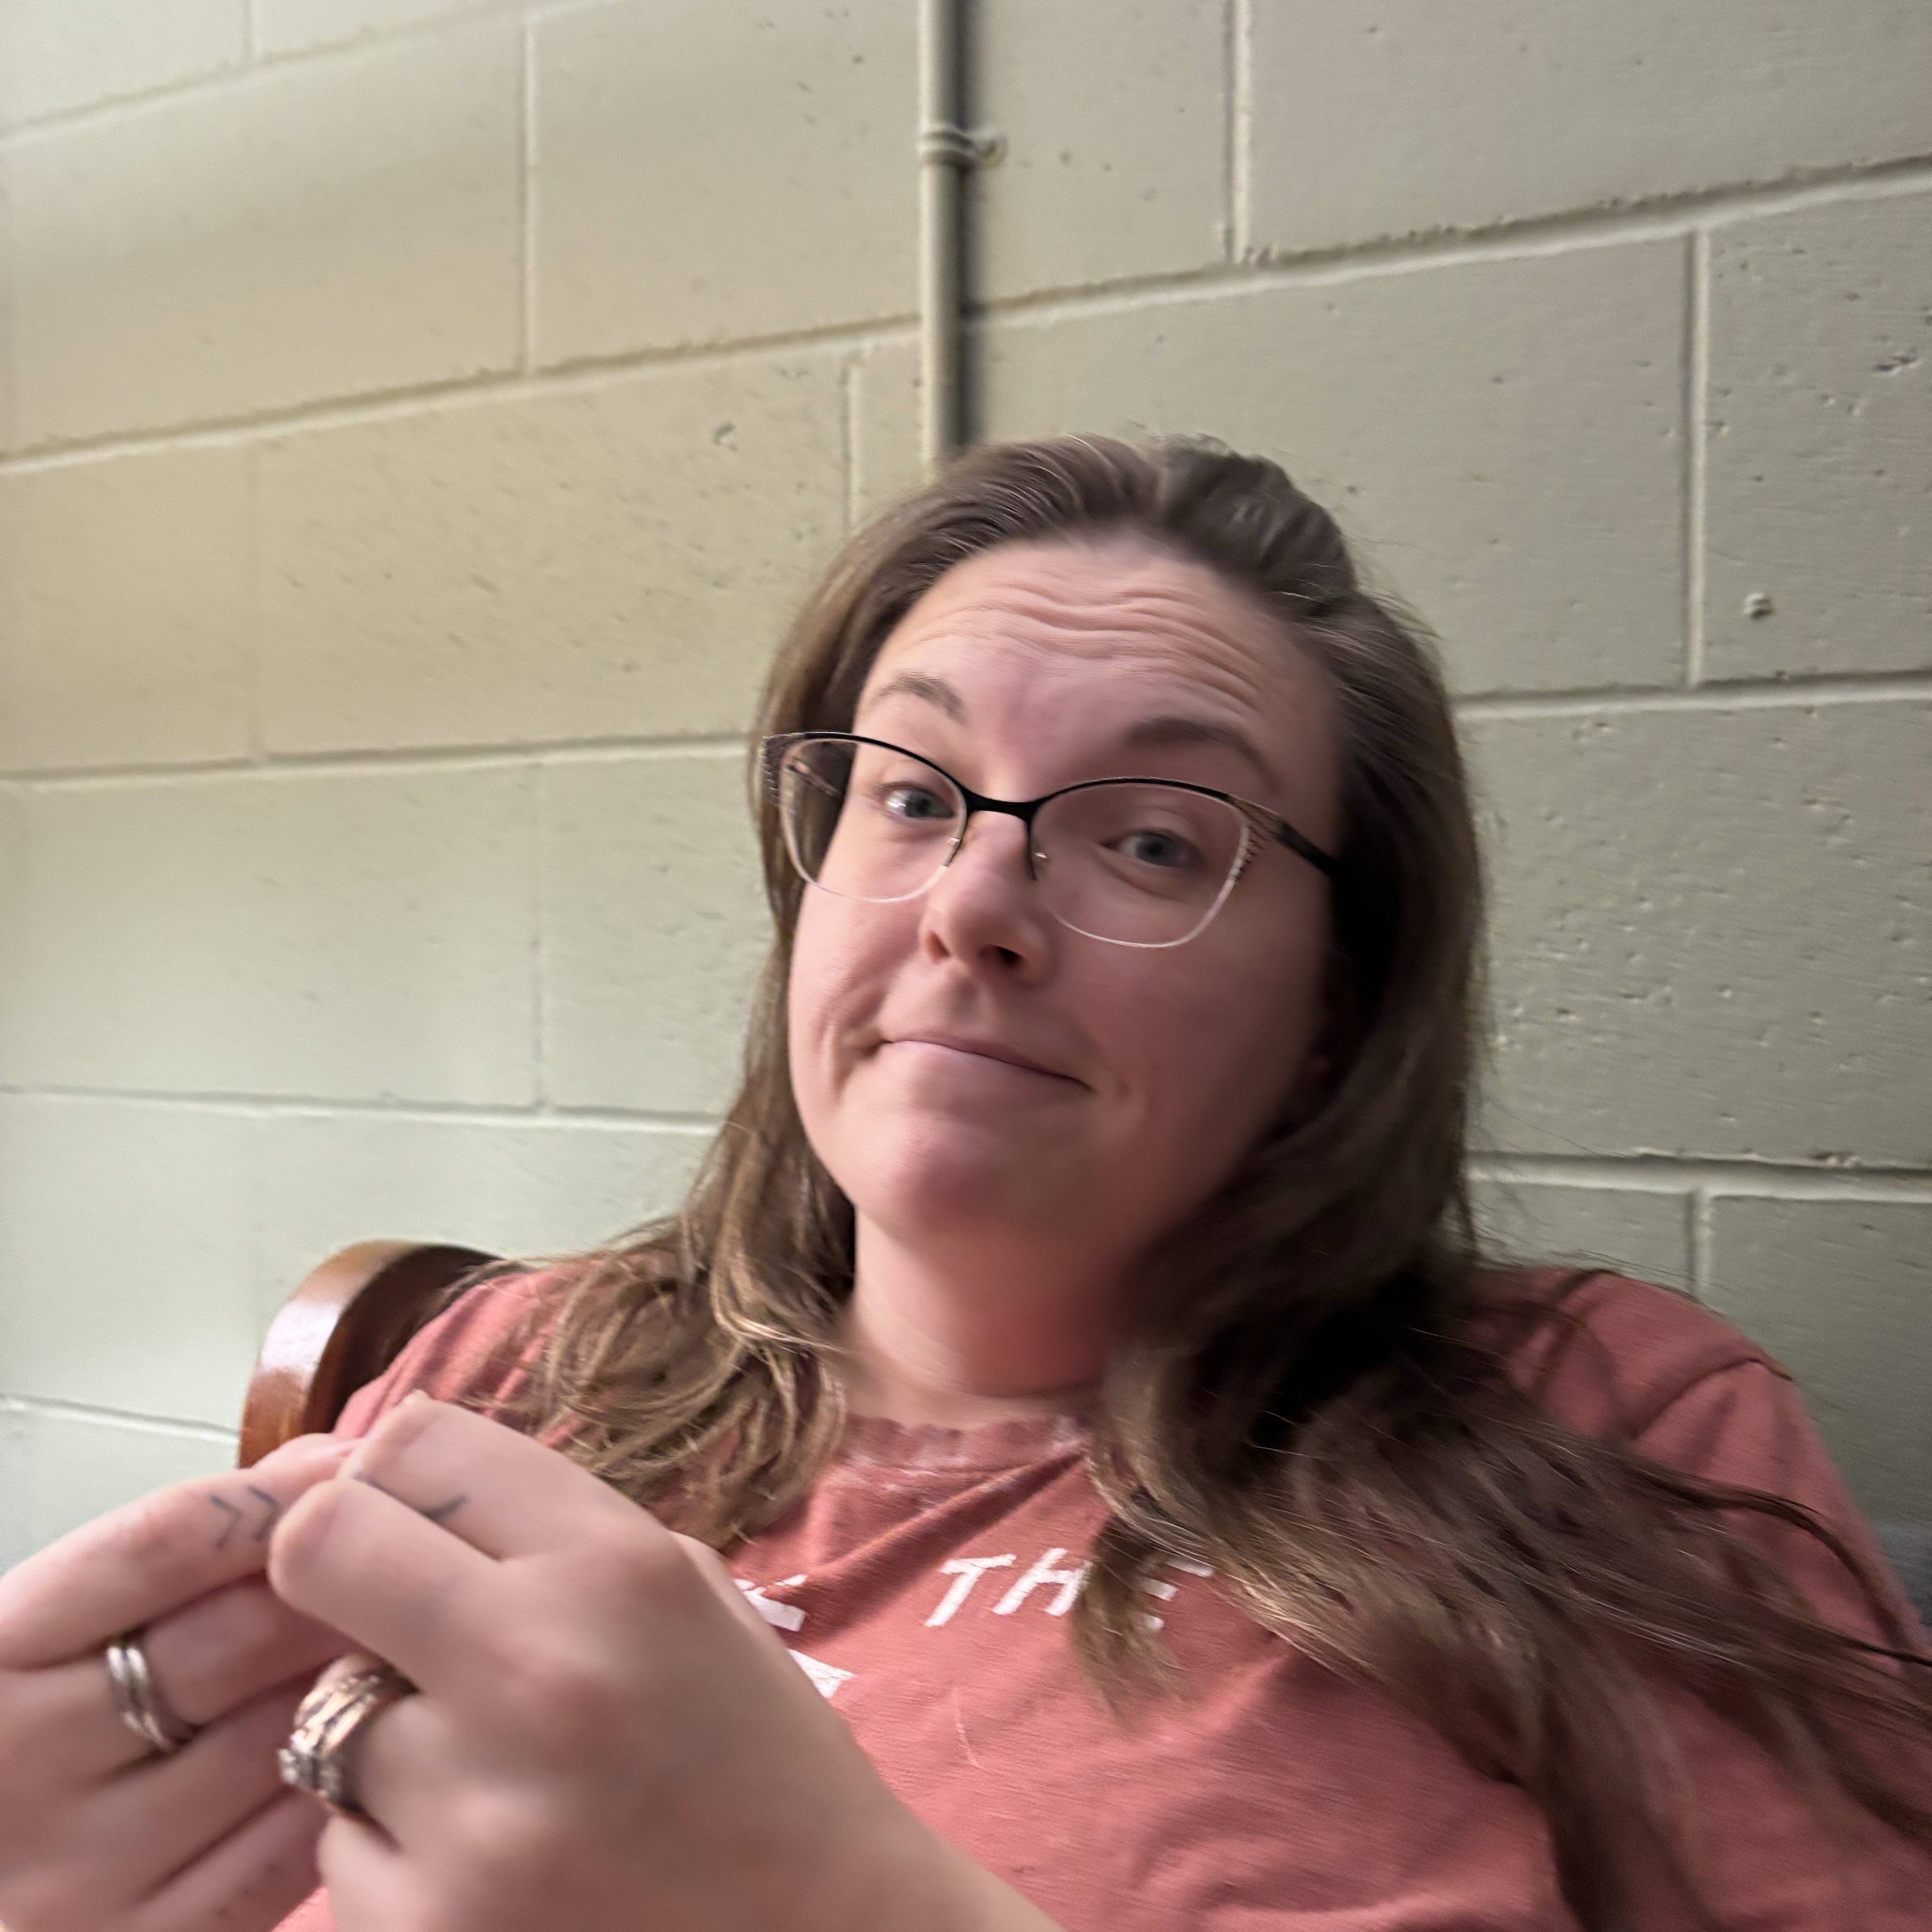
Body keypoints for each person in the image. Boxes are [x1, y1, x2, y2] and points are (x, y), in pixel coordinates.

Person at [0, 436, 1927, 1932]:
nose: (976, 904)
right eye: (913, 796)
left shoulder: (1608, 1431)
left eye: (1154, 842)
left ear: (1335, 1010)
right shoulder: (513, 1367)